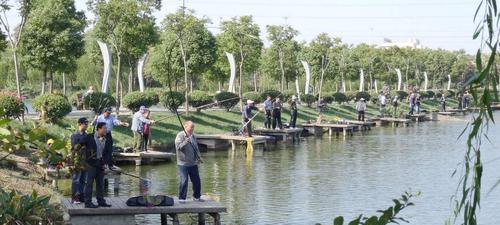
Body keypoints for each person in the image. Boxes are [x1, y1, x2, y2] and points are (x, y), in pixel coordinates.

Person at [83, 122, 112, 208]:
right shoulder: (89, 137)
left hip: (101, 164)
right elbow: (81, 145)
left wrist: (107, 163)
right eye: (104, 128)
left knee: (100, 184)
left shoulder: (108, 138)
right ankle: (88, 202)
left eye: (106, 128)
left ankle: (101, 201)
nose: (105, 130)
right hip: (91, 164)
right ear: (98, 129)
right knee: (89, 184)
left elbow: (108, 152)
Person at [175, 121, 203, 202]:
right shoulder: (180, 135)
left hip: (193, 163)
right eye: (191, 127)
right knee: (184, 180)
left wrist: (199, 157)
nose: (192, 129)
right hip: (183, 163)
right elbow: (178, 147)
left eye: (193, 127)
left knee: (197, 180)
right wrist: (185, 142)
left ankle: (196, 197)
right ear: (185, 127)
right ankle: (182, 198)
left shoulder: (193, 136)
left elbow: (196, 148)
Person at [70, 117, 89, 204]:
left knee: (83, 180)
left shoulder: (87, 135)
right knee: (76, 180)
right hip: (77, 161)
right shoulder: (74, 135)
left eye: (87, 124)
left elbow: (87, 147)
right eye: (85, 124)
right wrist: (83, 145)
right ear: (80, 124)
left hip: (85, 161)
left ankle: (82, 196)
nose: (87, 125)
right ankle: (74, 197)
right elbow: (75, 147)